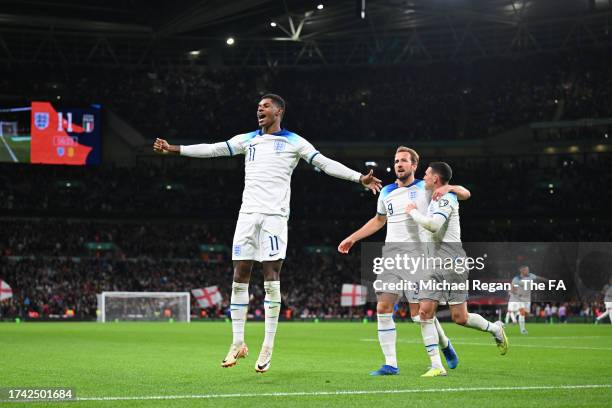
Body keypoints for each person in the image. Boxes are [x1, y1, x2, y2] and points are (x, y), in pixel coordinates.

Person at [153, 93, 382, 373]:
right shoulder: (248, 139)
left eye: (265, 107)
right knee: (239, 275)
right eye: (258, 107)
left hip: (274, 218)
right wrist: (175, 149)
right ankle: (237, 341)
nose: (259, 110)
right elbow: (213, 149)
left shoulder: (294, 141)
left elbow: (323, 163)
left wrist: (358, 177)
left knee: (271, 278)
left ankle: (268, 345)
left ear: (279, 111)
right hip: (247, 216)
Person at [338, 147, 471, 376]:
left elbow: (464, 194)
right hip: (391, 256)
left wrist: (451, 187)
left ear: (414, 166)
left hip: (417, 256)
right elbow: (379, 221)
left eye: (404, 161)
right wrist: (352, 238)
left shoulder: (425, 188)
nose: (399, 164)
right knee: (383, 306)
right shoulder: (386, 192)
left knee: (418, 314)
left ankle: (445, 344)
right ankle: (390, 364)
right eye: (396, 160)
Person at [406, 162, 508, 377]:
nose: (423, 177)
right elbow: (464, 192)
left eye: (426, 174)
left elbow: (434, 225)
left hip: (453, 263)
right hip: (432, 264)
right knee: (425, 312)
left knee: (460, 318)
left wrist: (413, 213)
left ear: (435, 178)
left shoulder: (446, 198)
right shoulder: (435, 195)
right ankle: (436, 366)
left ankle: (495, 328)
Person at [508, 265, 547, 334]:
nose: (528, 271)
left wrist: (548, 281)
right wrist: (516, 293)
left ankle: (516, 314)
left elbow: (538, 278)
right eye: (526, 270)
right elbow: (511, 289)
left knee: (525, 314)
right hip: (519, 299)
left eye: (528, 270)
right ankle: (522, 330)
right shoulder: (516, 279)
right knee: (522, 312)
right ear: (521, 271)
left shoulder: (530, 276)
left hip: (527, 299)